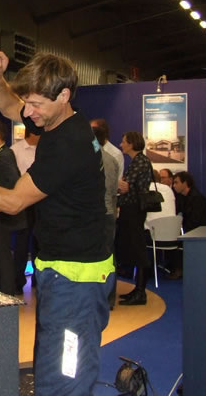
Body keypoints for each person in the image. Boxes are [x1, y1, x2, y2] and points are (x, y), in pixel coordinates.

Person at [0, 49, 113, 395]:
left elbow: (13, 202)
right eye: (28, 103)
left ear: (64, 96)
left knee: (65, 377)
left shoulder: (69, 143)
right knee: (50, 366)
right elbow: (8, 106)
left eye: (35, 105)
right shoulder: (54, 118)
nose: (28, 113)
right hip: (60, 271)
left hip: (76, 281)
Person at [0, 120, 28, 296]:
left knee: (2, 256)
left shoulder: (4, 155)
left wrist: (1, 205)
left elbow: (14, 181)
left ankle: (7, 293)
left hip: (1, 217)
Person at [117, 131, 152, 306]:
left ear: (131, 144)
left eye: (123, 141)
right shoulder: (139, 161)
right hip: (131, 210)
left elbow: (125, 187)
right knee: (135, 249)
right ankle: (138, 289)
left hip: (134, 211)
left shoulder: (140, 162)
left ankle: (140, 292)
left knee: (138, 250)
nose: (121, 144)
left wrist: (115, 182)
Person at [92, 122, 119, 310]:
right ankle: (108, 298)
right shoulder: (112, 160)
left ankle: (95, 298)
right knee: (109, 256)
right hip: (109, 214)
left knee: (93, 257)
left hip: (94, 215)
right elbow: (114, 192)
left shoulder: (88, 160)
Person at [10, 128, 40, 294]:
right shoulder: (15, 150)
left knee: (39, 242)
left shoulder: (44, 150)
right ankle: (18, 281)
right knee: (21, 243)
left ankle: (38, 279)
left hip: (41, 203)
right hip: (23, 203)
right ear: (33, 133)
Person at [170, 171, 206, 279]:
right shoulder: (182, 198)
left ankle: (179, 269)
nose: (174, 185)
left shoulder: (197, 199)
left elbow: (195, 221)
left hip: (201, 232)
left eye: (176, 182)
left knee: (176, 240)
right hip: (192, 230)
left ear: (185, 183)